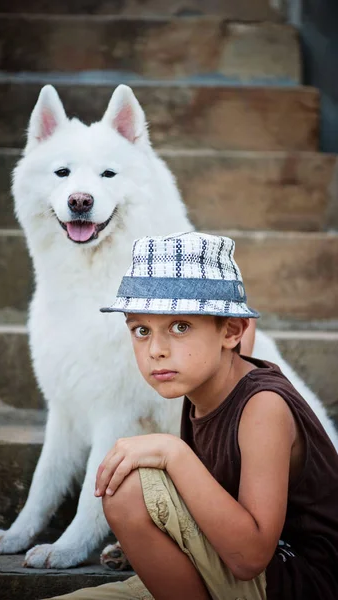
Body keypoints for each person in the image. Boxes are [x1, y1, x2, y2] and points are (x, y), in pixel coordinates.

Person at [45, 232, 338, 600]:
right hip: (216, 569)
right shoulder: (208, 372)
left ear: (230, 331)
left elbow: (250, 558)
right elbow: (237, 336)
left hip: (290, 580)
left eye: (180, 327)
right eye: (141, 330)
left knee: (129, 489)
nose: (156, 350)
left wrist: (174, 452)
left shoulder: (264, 407)